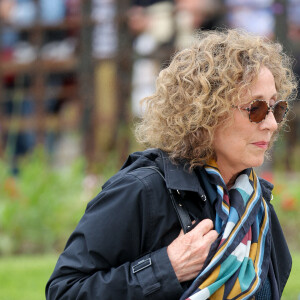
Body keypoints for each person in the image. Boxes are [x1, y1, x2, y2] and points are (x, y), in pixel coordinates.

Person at [46, 29, 297, 299]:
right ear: (207, 111)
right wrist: (166, 267)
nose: (271, 124)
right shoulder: (142, 190)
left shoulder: (255, 206)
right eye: (256, 108)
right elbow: (64, 291)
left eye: (277, 108)